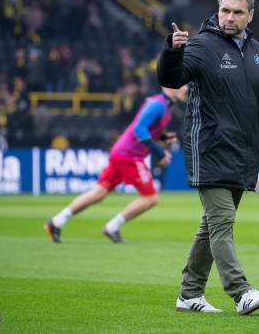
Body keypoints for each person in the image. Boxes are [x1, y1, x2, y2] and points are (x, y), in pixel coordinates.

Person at [157, 0, 259, 315]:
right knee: (222, 221)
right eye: (225, 10)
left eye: (237, 12)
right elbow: (173, 79)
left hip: (244, 153)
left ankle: (189, 294)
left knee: (211, 225)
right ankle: (241, 292)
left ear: (250, 15)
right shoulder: (202, 46)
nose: (229, 17)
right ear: (218, 9)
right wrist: (172, 51)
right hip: (207, 147)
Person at [44, 86, 187, 243]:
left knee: (99, 193)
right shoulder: (158, 105)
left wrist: (164, 137)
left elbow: (147, 130)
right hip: (130, 155)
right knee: (150, 198)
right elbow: (139, 128)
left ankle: (56, 222)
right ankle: (112, 226)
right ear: (168, 86)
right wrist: (159, 153)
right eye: (182, 84)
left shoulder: (162, 105)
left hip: (121, 151)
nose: (186, 88)